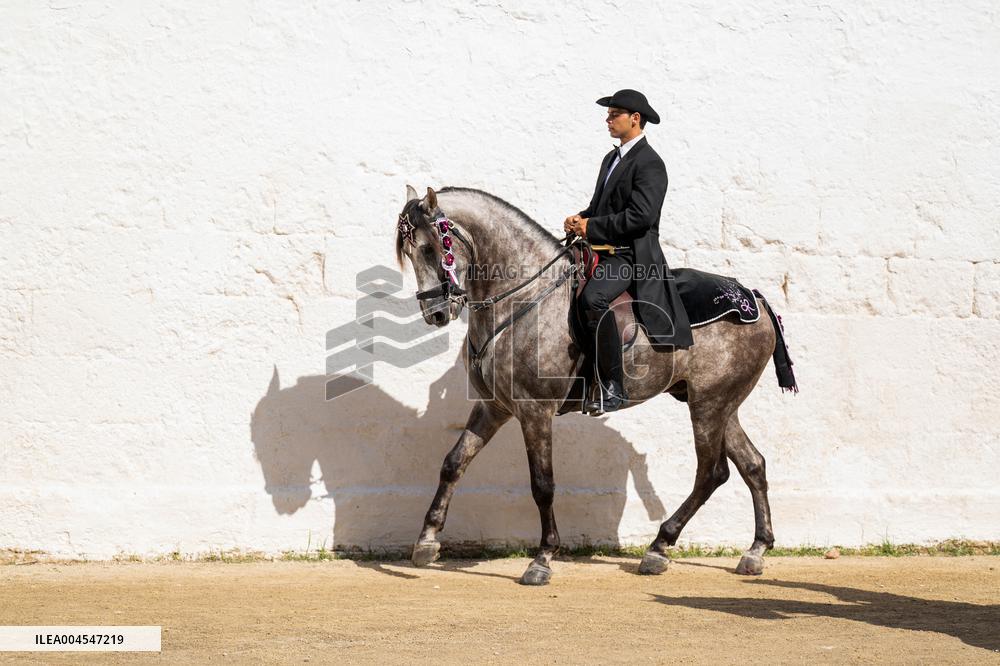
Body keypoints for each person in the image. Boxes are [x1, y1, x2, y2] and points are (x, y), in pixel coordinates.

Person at [564, 89, 693, 416]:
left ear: (635, 119)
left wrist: (591, 227)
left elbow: (641, 217)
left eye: (614, 114)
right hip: (600, 249)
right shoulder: (611, 159)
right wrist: (581, 218)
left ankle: (614, 387)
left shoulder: (650, 163)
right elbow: (600, 207)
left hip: (630, 256)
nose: (608, 119)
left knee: (593, 298)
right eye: (608, 114)